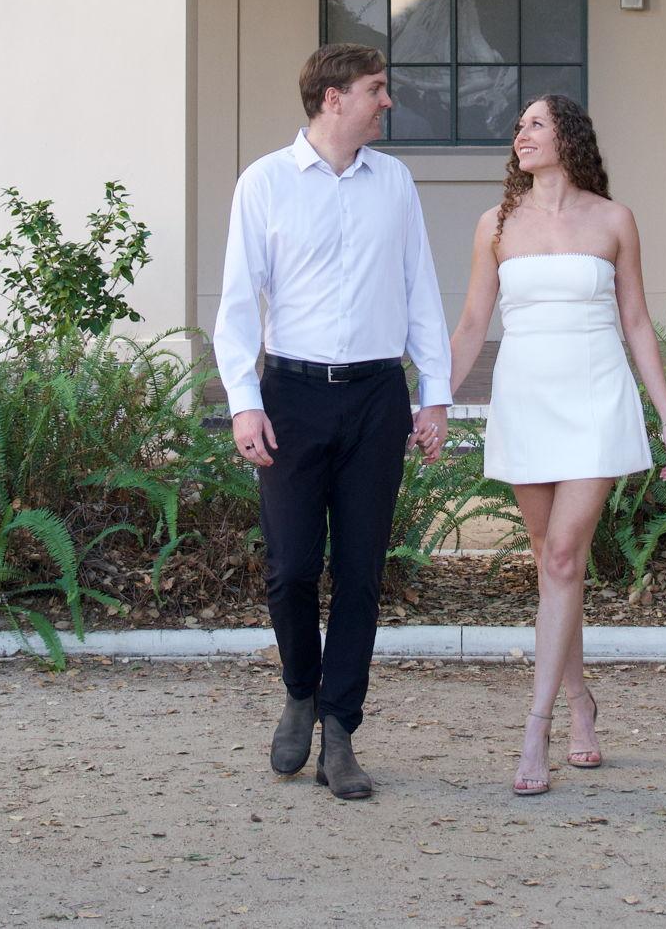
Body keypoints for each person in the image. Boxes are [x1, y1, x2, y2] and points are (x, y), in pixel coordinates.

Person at [213, 43, 453, 801]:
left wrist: (435, 392)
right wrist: (243, 400)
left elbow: (420, 288)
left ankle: (340, 731)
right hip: (291, 396)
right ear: (332, 98)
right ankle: (300, 691)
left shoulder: (395, 183)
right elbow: (236, 303)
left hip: (377, 395)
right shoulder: (265, 182)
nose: (388, 101)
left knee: (360, 572)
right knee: (290, 568)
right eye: (376, 89)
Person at [446, 94, 666, 796]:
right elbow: (472, 323)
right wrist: (429, 403)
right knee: (557, 568)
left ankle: (537, 728)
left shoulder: (614, 220)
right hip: (525, 403)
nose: (520, 134)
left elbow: (636, 321)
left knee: (560, 557)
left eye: (535, 124)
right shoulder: (495, 224)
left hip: (595, 400)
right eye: (518, 126)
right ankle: (581, 701)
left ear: (568, 137)